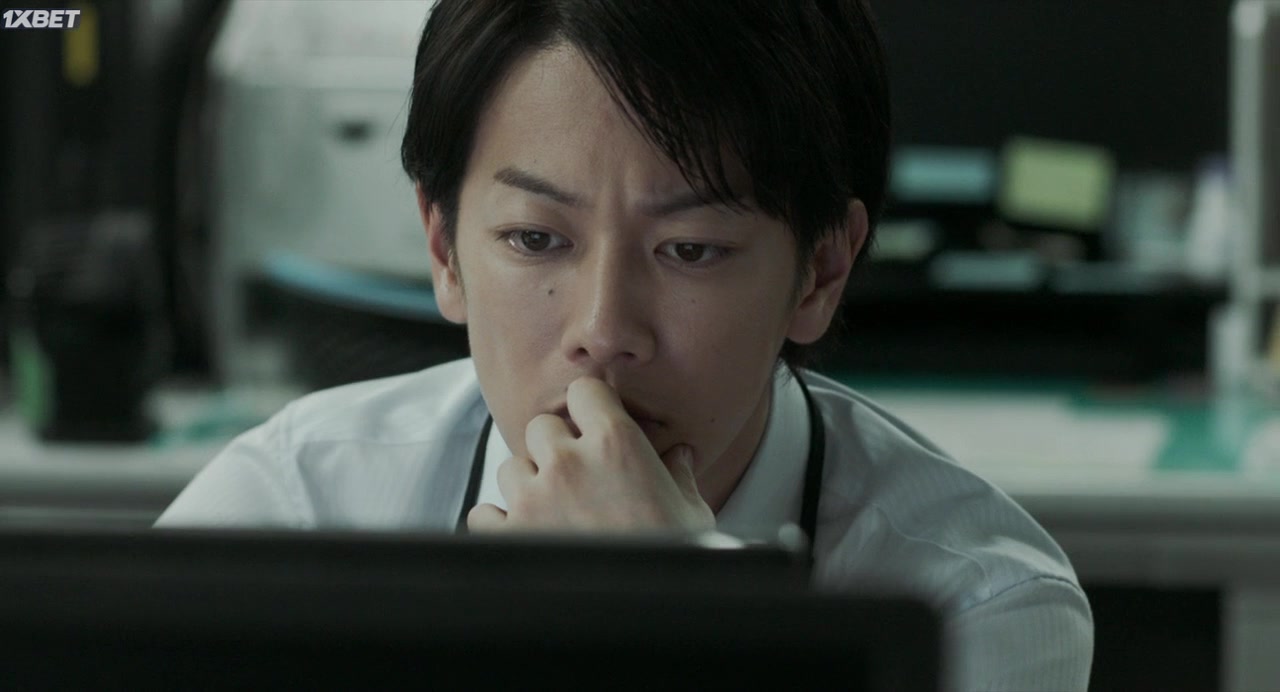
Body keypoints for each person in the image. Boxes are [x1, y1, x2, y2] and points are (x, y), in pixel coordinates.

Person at [157, 1, 1093, 688]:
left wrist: (688, 618)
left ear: (820, 271)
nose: (603, 331)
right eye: (535, 239)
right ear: (443, 250)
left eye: (690, 250)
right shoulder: (294, 510)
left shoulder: (981, 607)